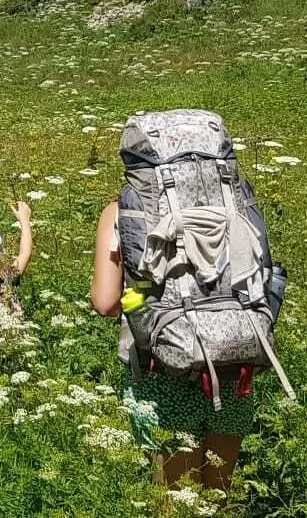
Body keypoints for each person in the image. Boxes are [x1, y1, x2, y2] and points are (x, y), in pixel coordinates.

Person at [91, 200, 267, 493]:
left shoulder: (123, 208)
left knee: (174, 500)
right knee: (217, 494)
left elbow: (105, 302)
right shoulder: (232, 198)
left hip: (163, 378)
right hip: (232, 368)